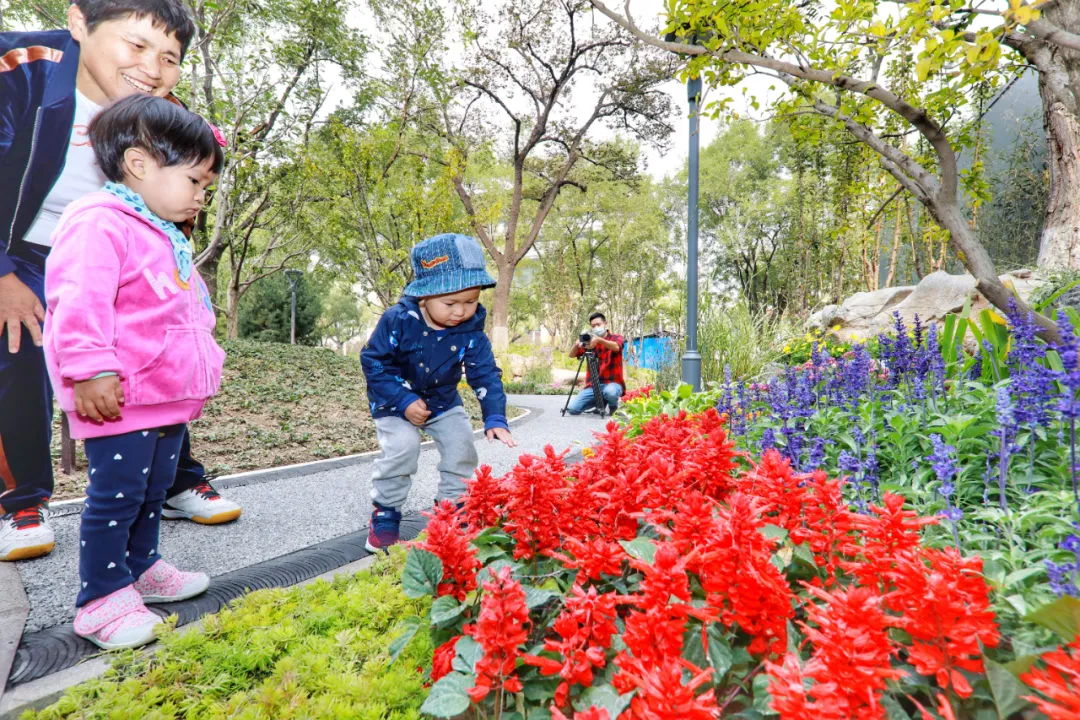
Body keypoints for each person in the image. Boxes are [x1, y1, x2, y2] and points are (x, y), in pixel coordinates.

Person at [0, 0, 241, 562]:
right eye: (136, 46)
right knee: (16, 346)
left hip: (120, 244)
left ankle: (175, 480)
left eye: (170, 57)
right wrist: (5, 274)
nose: (153, 70)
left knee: (159, 342)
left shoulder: (164, 112)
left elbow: (179, 206)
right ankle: (23, 500)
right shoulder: (17, 67)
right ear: (80, 23)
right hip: (22, 249)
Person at [43, 94, 225, 649]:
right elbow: (77, 301)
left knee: (151, 491)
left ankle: (142, 567)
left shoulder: (163, 233)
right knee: (117, 494)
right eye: (195, 182)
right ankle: (100, 598)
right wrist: (91, 368)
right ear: (141, 163)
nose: (200, 196)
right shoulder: (100, 224)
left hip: (163, 394)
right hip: (118, 393)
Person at [361, 233, 516, 553]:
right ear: (424, 297)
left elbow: (485, 372)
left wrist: (495, 415)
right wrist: (403, 401)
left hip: (442, 400)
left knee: (462, 447)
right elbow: (373, 362)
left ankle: (450, 511)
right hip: (394, 400)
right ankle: (386, 511)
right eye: (450, 303)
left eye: (470, 301)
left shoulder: (470, 331)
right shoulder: (398, 321)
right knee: (403, 448)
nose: (461, 311)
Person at [567, 312, 625, 415]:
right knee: (572, 409)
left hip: (612, 383)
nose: (596, 327)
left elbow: (616, 347)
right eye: (593, 326)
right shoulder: (589, 341)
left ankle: (613, 407)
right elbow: (571, 355)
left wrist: (599, 340)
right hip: (593, 385)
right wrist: (576, 344)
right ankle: (600, 403)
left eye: (598, 324)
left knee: (610, 392)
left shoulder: (616, 337)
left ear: (605, 323)